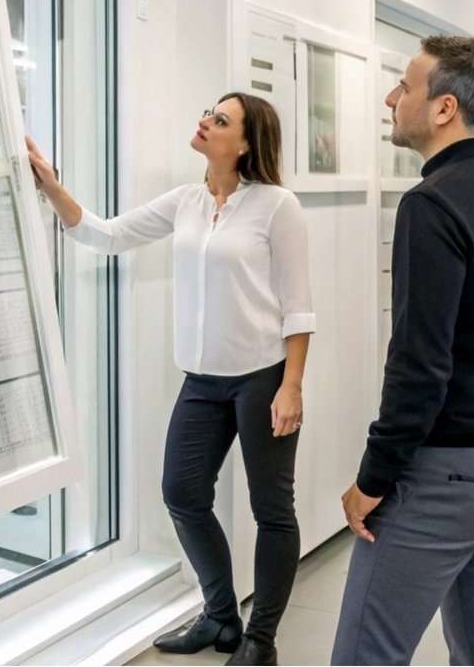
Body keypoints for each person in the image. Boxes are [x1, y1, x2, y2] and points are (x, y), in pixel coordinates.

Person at [25, 93, 315, 667]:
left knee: (271, 509)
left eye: (221, 120)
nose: (205, 121)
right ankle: (221, 617)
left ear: (247, 143)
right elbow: (106, 234)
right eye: (208, 112)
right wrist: (50, 186)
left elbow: (298, 307)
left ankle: (261, 640)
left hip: (262, 378)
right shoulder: (186, 201)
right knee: (182, 494)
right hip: (203, 382)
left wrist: (292, 386)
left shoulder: (277, 206)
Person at [330, 35, 474, 666]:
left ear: (443, 108)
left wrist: (374, 477)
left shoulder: (431, 205)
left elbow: (418, 368)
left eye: (403, 86)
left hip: (450, 473)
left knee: (362, 656)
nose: (390, 97)